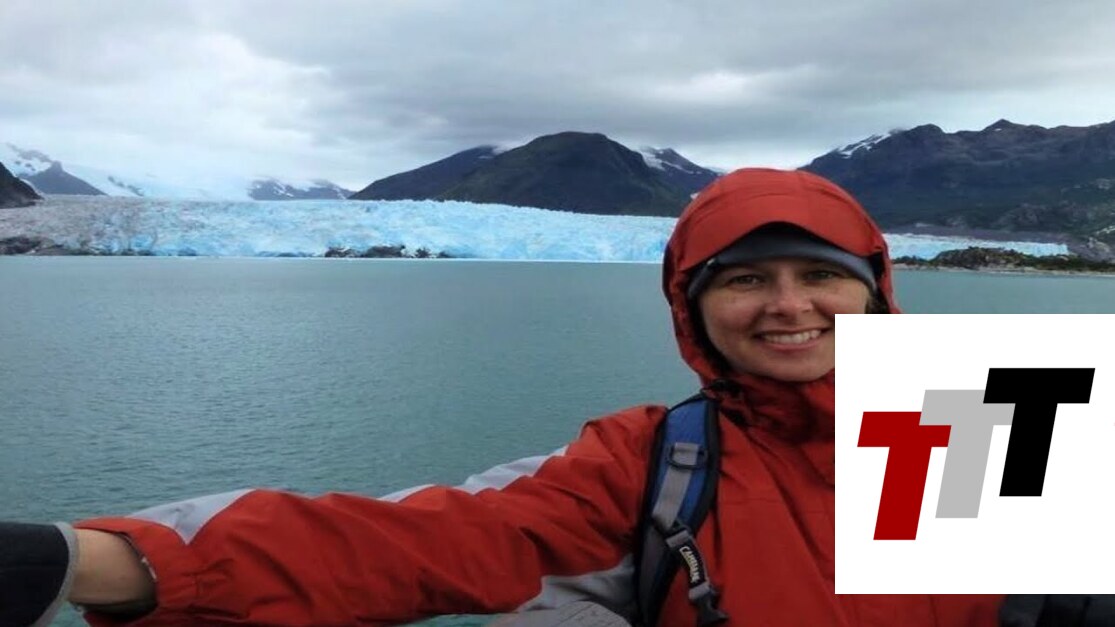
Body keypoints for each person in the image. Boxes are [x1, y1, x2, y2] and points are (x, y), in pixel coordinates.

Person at [0, 168, 1092, 626]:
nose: (786, 306)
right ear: (690, 304)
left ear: (874, 290)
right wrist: (93, 558)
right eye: (745, 280)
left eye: (820, 276)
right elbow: (425, 542)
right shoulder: (659, 457)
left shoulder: (986, 417)